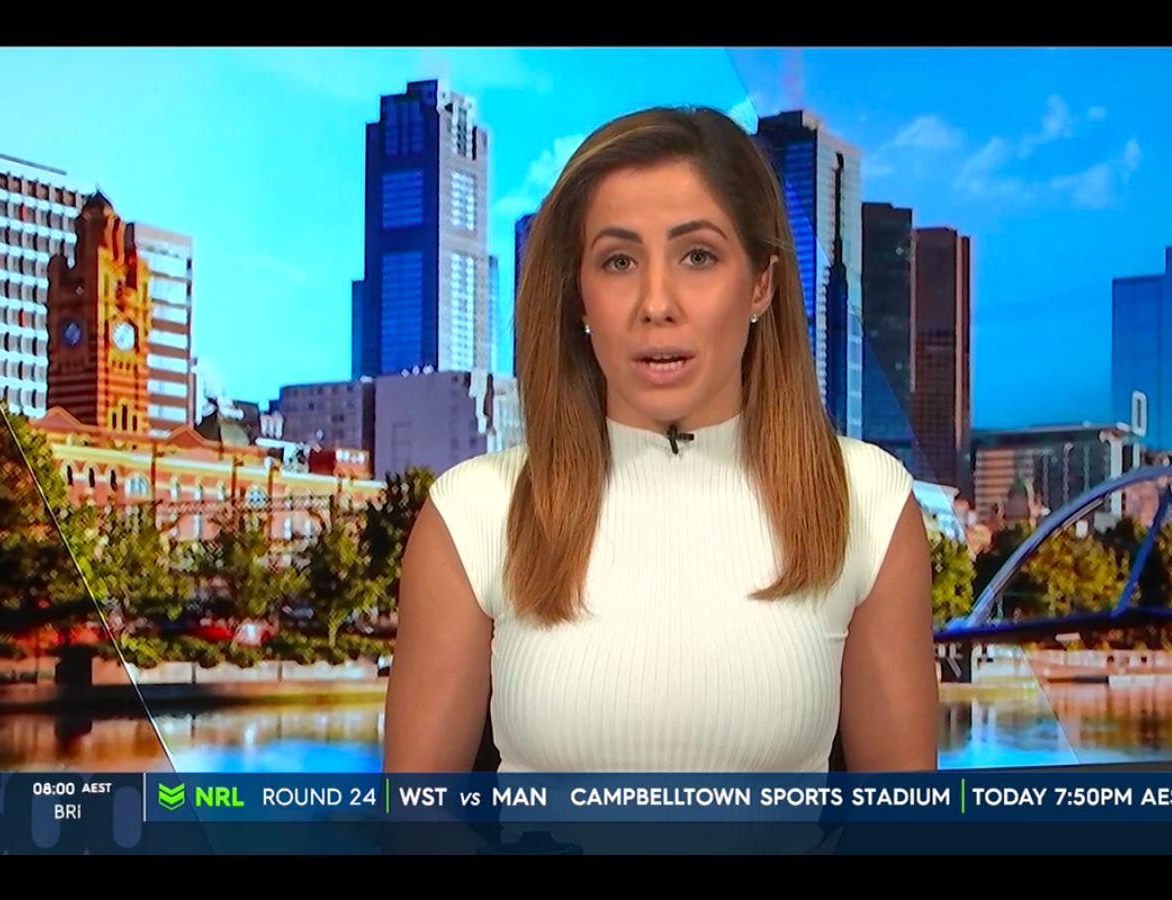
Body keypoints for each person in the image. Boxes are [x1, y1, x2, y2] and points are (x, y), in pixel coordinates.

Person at [383, 105, 938, 774]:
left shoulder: (867, 502)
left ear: (761, 284)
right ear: (579, 296)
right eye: (618, 261)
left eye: (698, 257)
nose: (655, 304)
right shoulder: (473, 513)